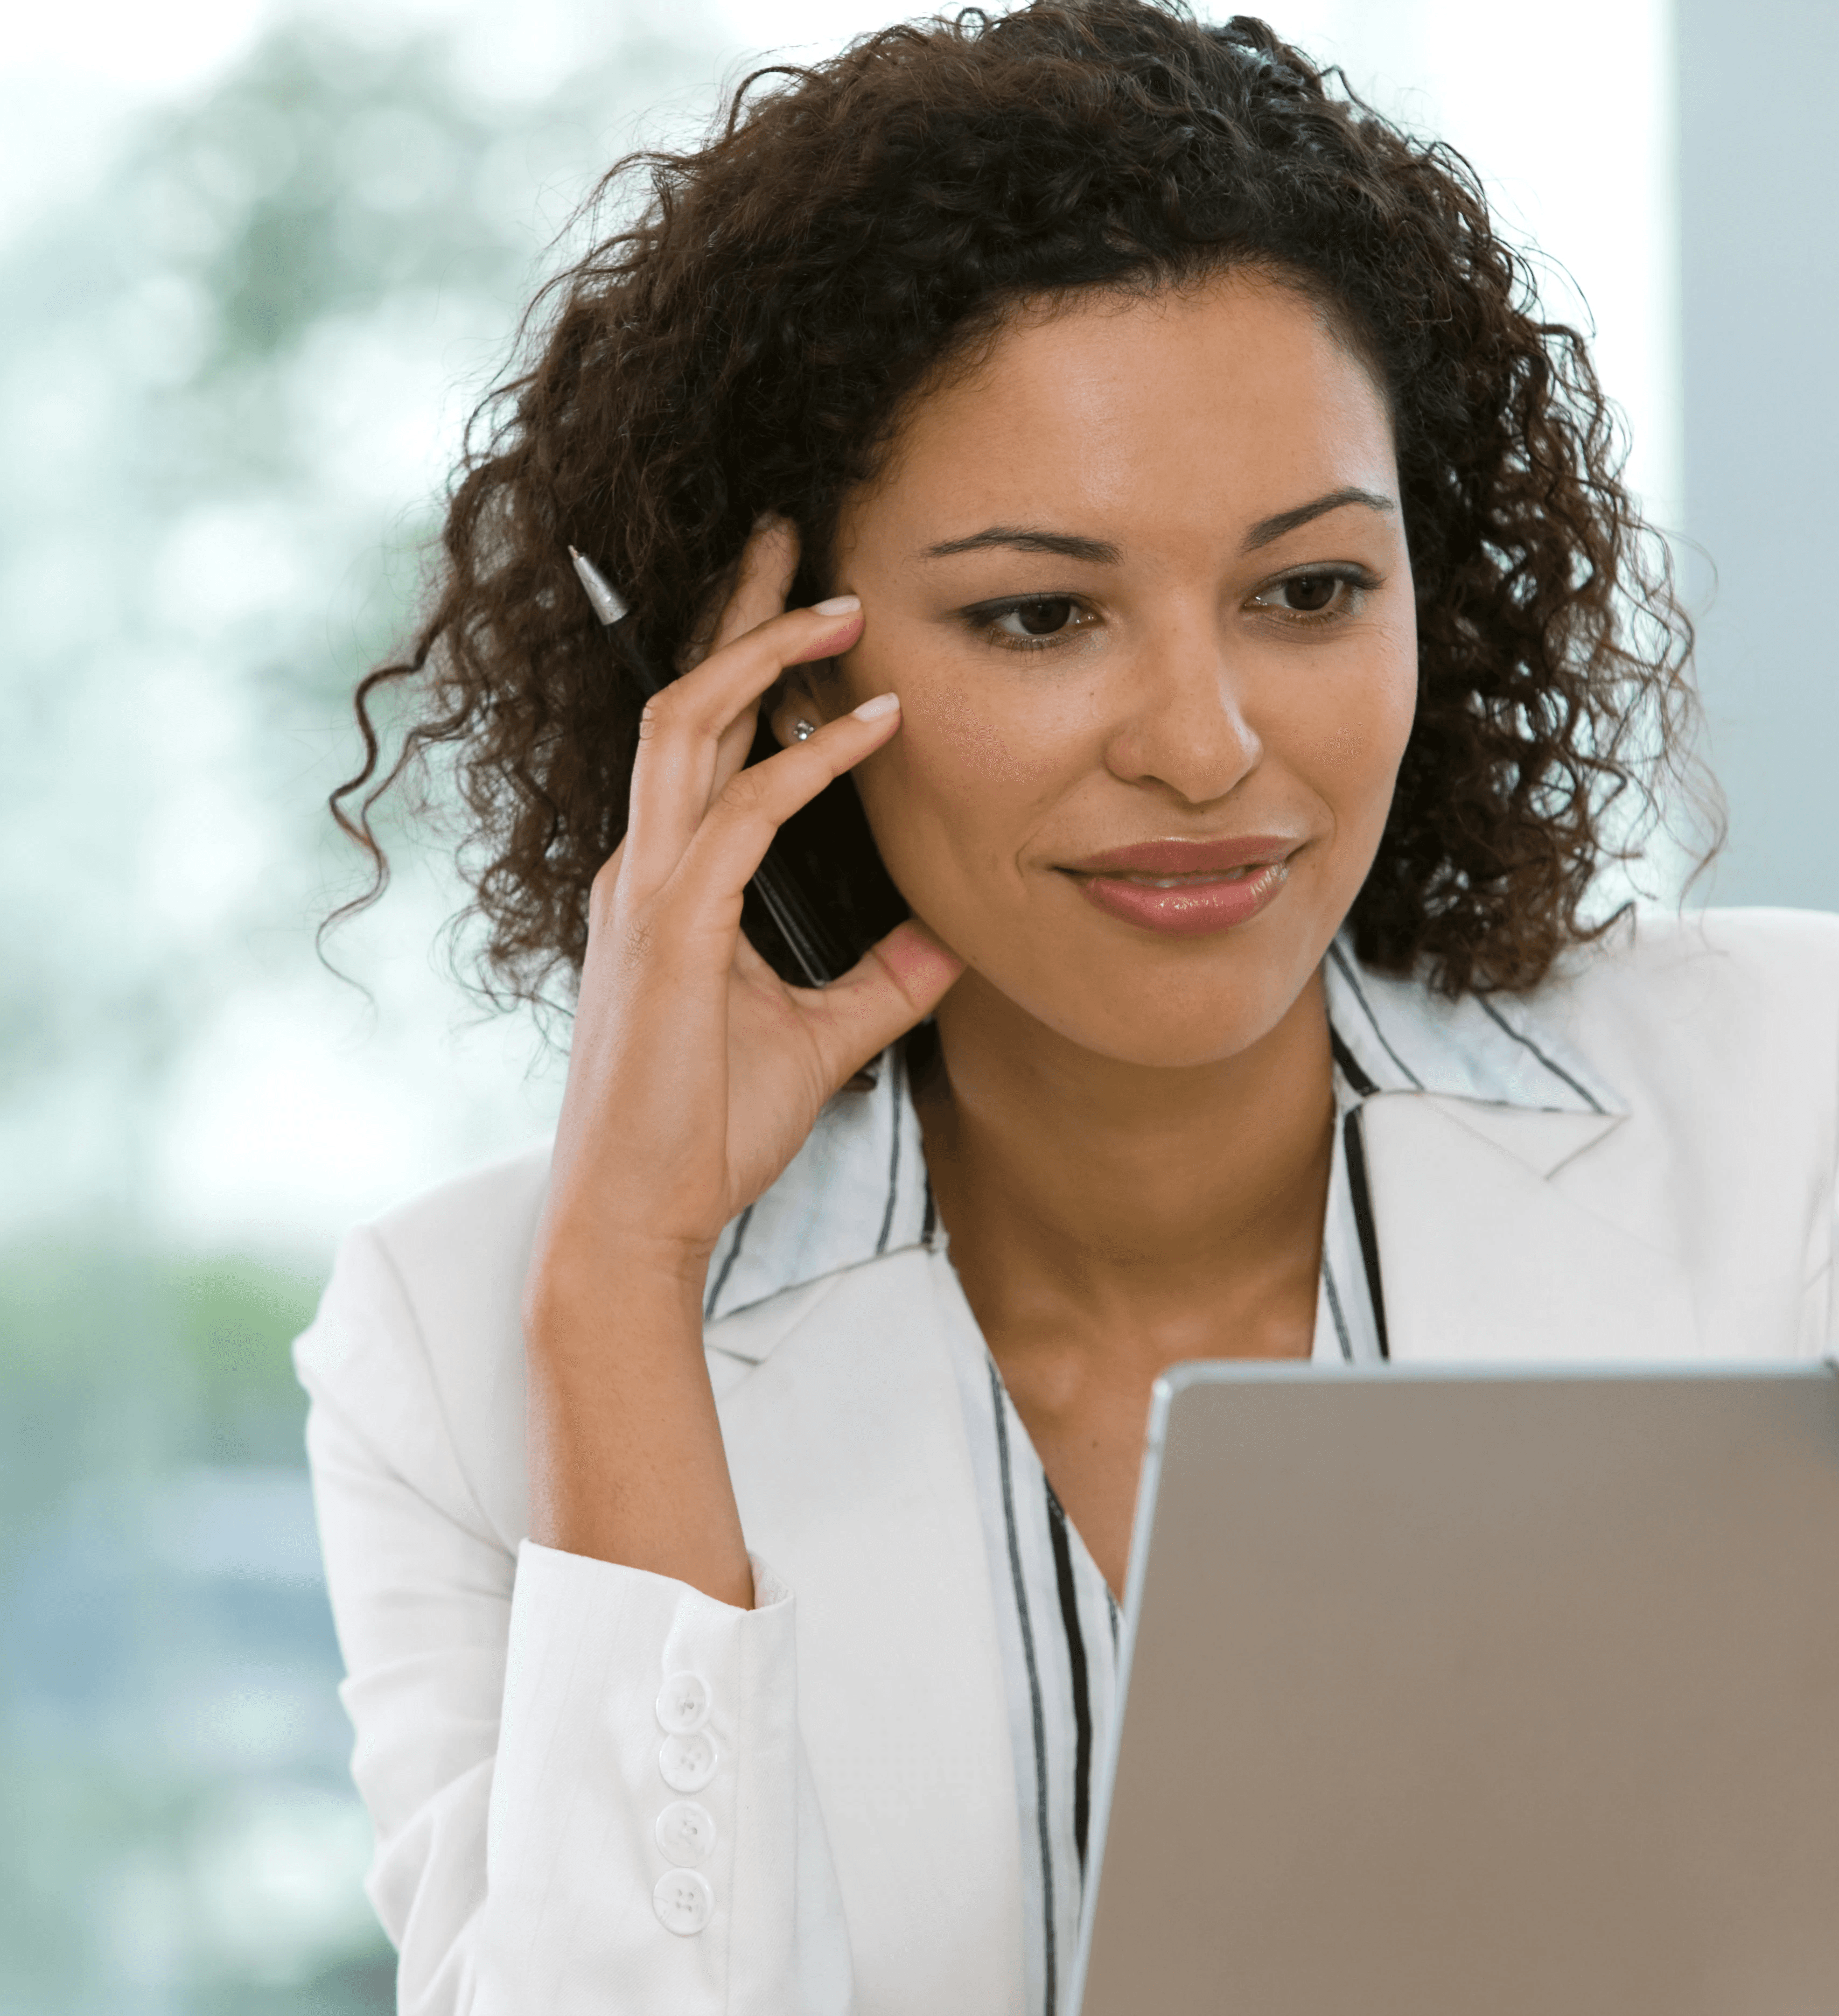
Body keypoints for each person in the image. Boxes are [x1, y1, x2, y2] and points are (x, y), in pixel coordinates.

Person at [295, 5, 1839, 2012]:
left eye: (1308, 591)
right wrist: (623, 1286)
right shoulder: (461, 1352)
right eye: (1038, 615)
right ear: (776, 683)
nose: (1204, 747)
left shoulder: (1791, 1119)